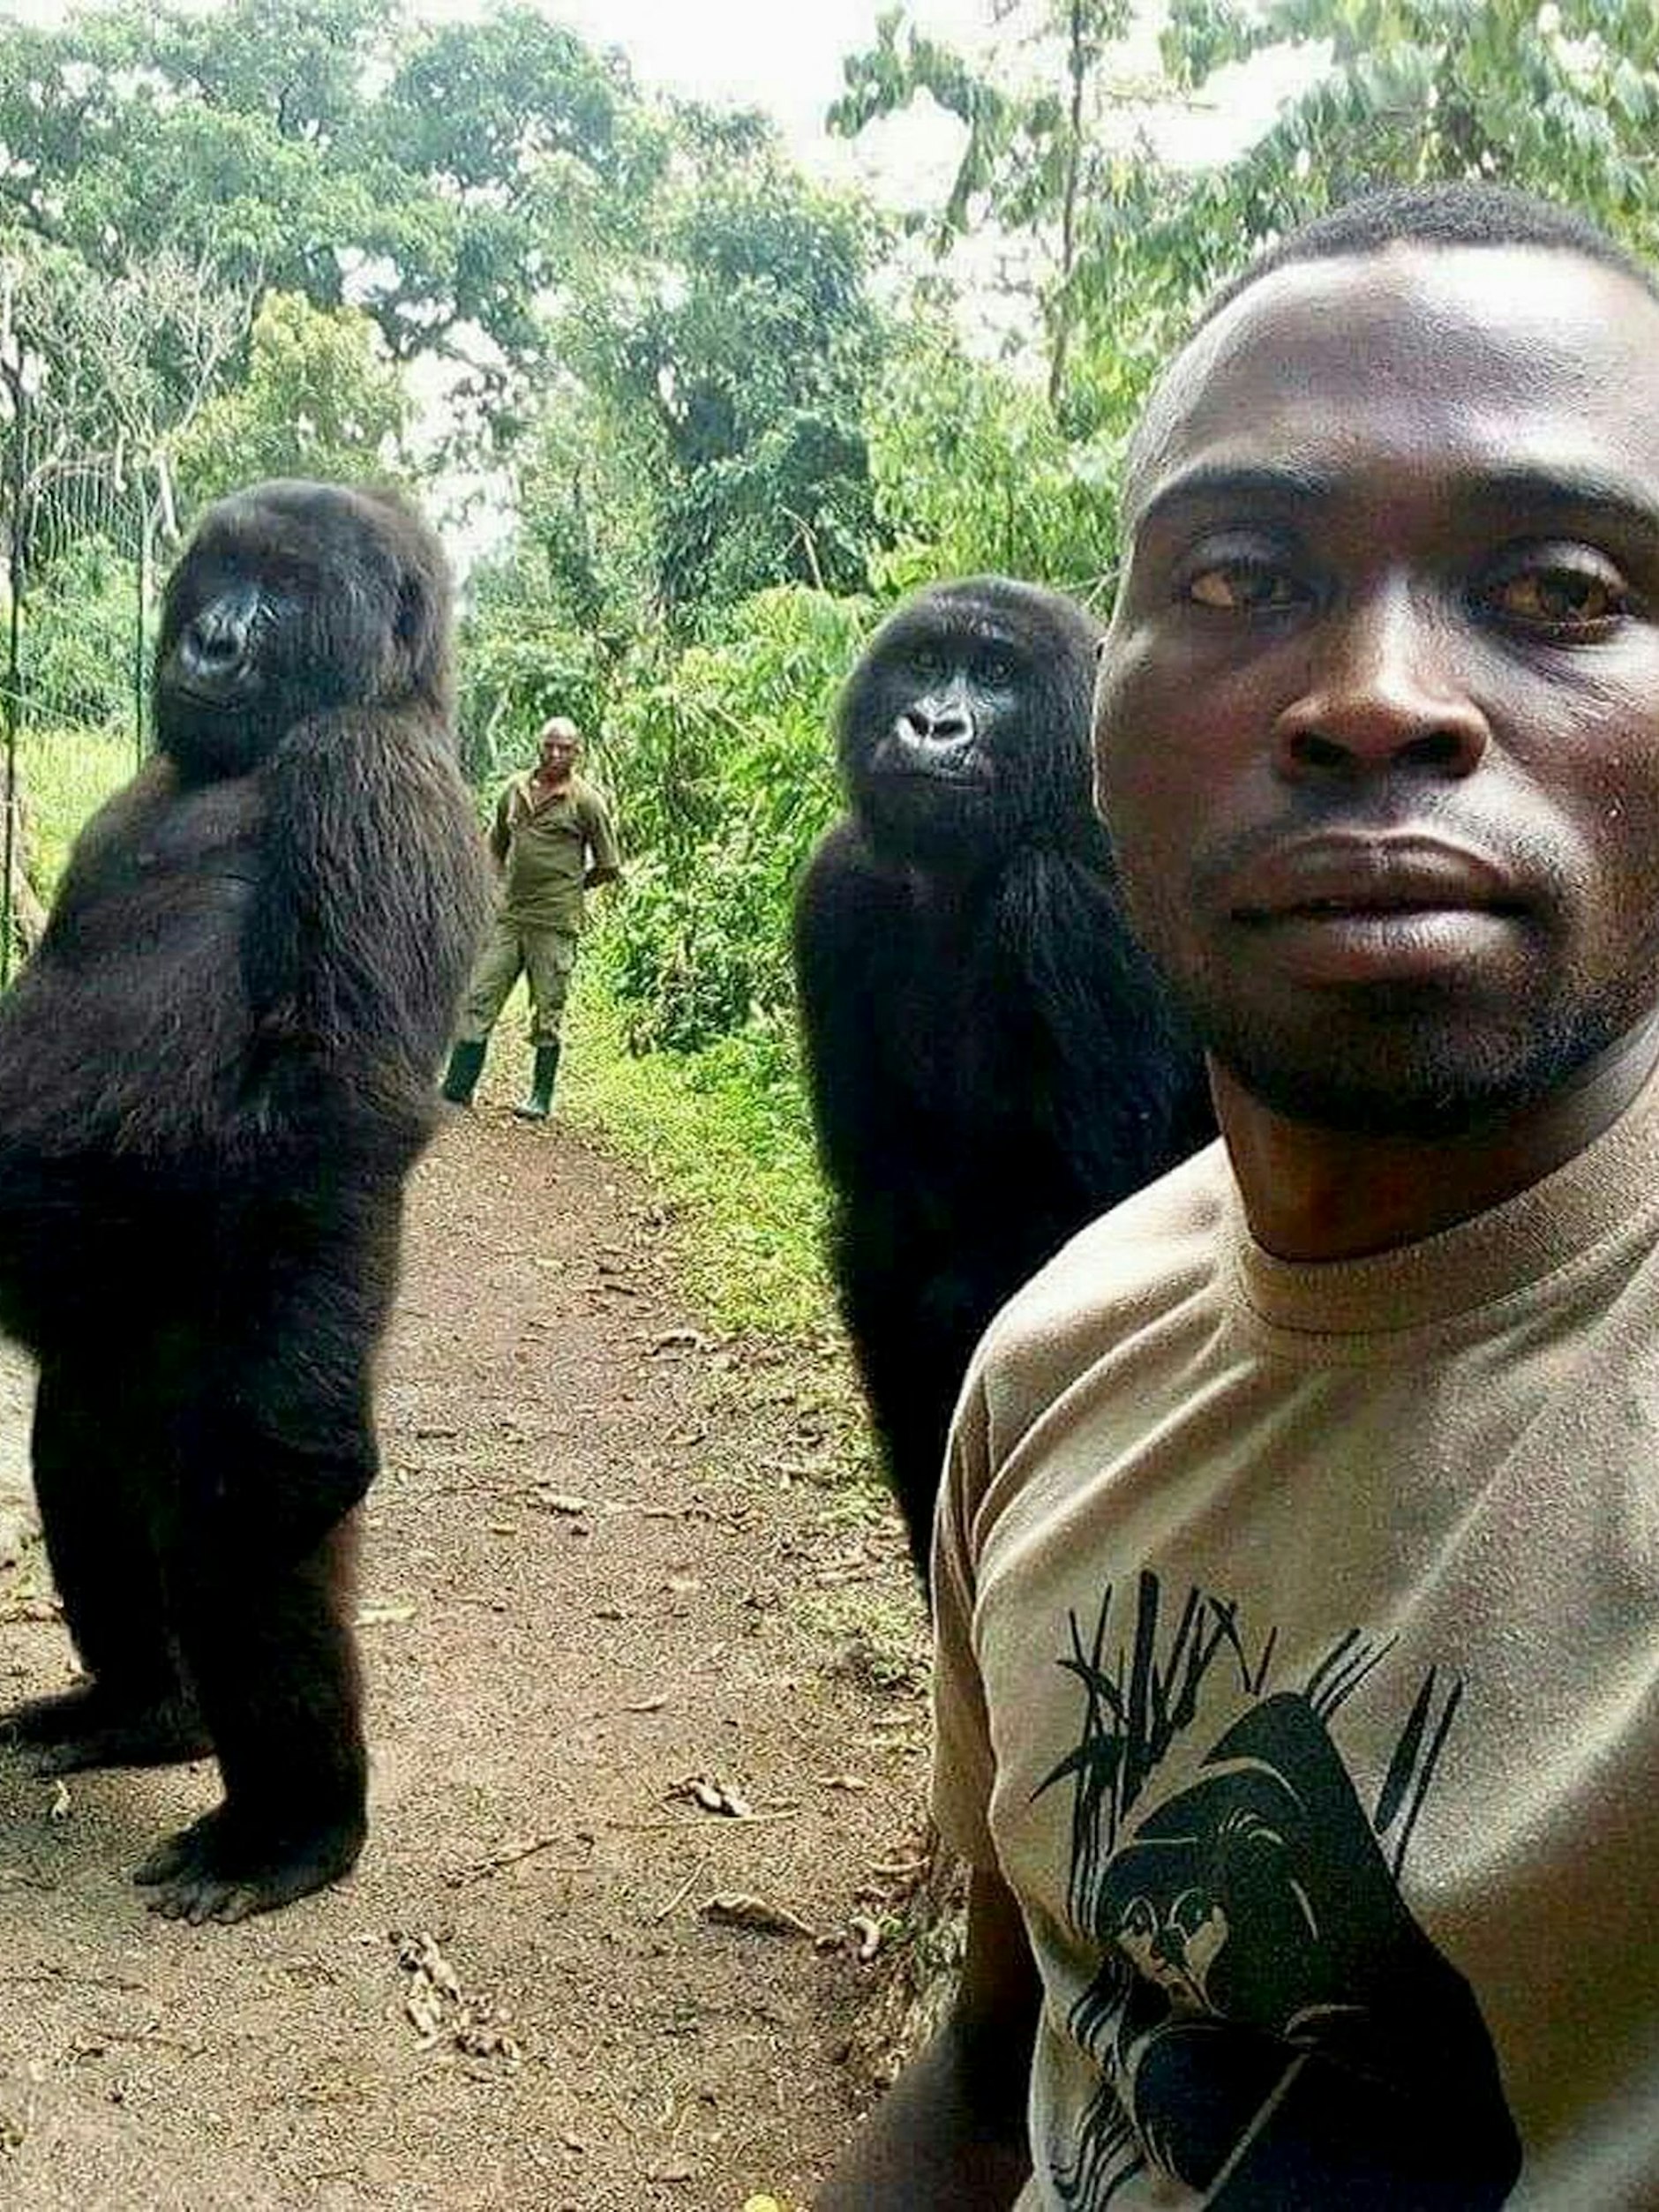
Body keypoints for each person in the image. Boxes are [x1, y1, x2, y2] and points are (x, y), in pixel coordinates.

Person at [822, 182, 1659, 2210]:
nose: (1372, 693)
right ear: (1114, 725)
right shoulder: (1056, 1364)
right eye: (1236, 575)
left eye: (1556, 584)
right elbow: (1008, 2071)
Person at [440, 716, 620, 1120]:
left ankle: (539, 1096)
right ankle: (457, 1087)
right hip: (508, 918)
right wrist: (491, 890)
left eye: (565, 748)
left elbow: (609, 865)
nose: (556, 754)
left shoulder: (586, 801)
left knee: (547, 1008)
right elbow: (494, 848)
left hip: (554, 924)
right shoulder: (515, 789)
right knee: (478, 998)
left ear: (577, 753)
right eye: (550, 746)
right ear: (539, 746)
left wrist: (571, 887)